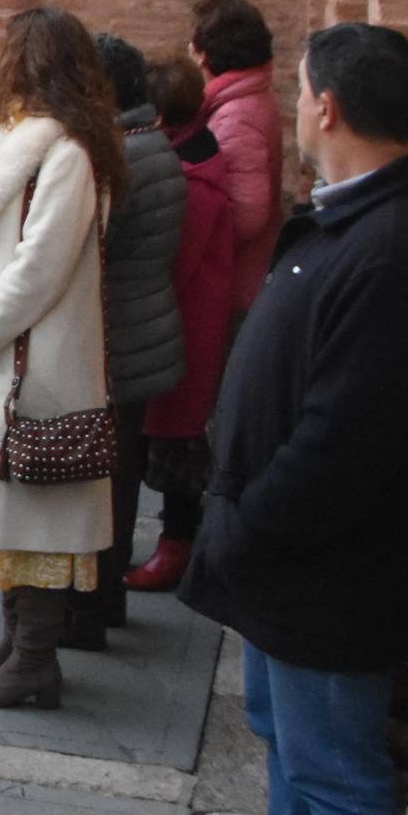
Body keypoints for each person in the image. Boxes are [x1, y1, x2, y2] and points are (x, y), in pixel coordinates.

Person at [168, 24, 408, 815]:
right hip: (279, 555)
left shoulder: (392, 242)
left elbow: (345, 437)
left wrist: (244, 523)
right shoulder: (356, 213)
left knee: (340, 767)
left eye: (303, 92)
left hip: (323, 563)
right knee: (286, 739)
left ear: (326, 106)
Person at [0, 7, 124, 711]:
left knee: (32, 510)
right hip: (1, 353)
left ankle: (36, 657)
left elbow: (39, 268)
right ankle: (17, 645)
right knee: (4, 508)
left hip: (34, 366)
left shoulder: (68, 153)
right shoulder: (25, 141)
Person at [73, 33, 184, 652]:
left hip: (119, 340)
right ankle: (106, 602)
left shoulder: (123, 155)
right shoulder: (152, 143)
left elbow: (92, 249)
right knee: (120, 477)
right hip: (143, 334)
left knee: (103, 489)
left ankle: (89, 615)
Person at [129, 56, 246, 593]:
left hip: (187, 325)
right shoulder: (193, 153)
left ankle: (177, 548)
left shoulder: (195, 180)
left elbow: (174, 262)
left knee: (177, 447)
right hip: (183, 319)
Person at [191, 0, 286, 296]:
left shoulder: (236, 117)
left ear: (203, 54)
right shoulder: (247, 97)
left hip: (236, 283)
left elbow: (247, 216)